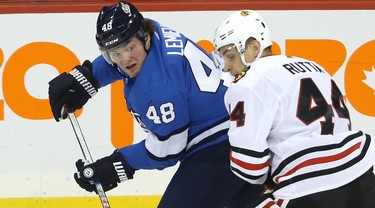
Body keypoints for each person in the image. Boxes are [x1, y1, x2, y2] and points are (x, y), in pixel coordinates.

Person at [48, 1, 263, 207]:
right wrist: (86, 78)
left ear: (145, 37)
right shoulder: (151, 30)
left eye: (130, 48)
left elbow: (166, 152)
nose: (124, 59)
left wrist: (117, 165)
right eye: (115, 53)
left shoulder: (158, 91)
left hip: (220, 148)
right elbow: (122, 56)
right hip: (246, 133)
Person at [212, 10, 375, 208]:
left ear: (255, 47)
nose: (227, 67)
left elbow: (249, 166)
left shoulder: (247, 83)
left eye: (230, 56)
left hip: (308, 189)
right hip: (362, 176)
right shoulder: (314, 66)